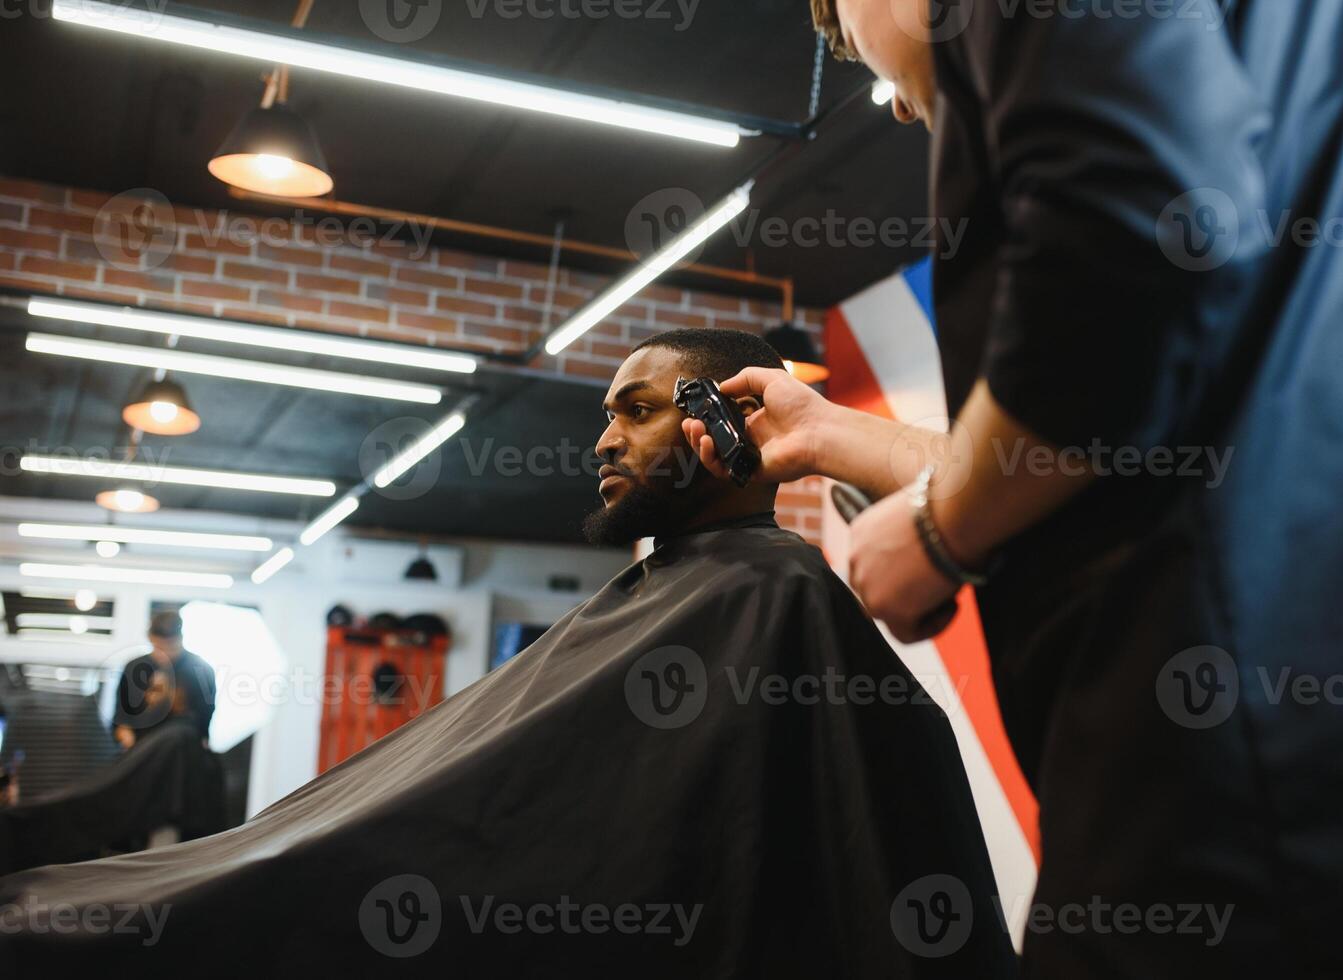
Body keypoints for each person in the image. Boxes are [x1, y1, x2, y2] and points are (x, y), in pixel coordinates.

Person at [679, 1, 1343, 975]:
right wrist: (836, 436)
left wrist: (937, 534)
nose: (891, 108)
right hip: (1338, 740)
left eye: (867, 60)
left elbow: (1135, 239)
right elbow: (1140, 426)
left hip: (1231, 769)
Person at [0, 329, 1017, 976]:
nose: (600, 441)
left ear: (727, 423)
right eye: (601, 415)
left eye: (636, 407)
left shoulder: (770, 600)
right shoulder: (698, 593)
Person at [114, 611, 216, 748]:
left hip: (183, 749)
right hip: (142, 748)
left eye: (172, 647)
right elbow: (121, 717)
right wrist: (128, 741)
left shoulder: (202, 670)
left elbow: (204, 719)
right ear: (150, 638)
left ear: (181, 639)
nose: (166, 654)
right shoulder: (134, 668)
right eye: (160, 648)